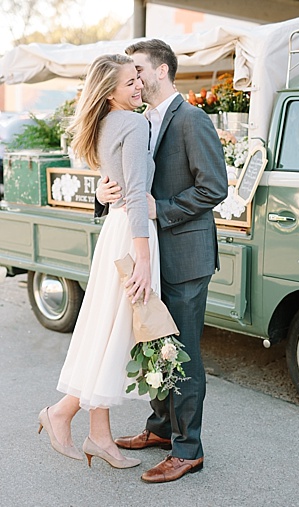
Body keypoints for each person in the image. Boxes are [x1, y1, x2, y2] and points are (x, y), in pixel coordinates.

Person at [96, 39, 228, 483]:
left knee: (184, 353)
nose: (132, 77)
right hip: (148, 254)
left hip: (186, 257)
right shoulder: (139, 122)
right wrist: (103, 194)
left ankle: (188, 449)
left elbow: (214, 188)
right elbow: (129, 182)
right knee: (154, 343)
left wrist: (161, 209)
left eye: (138, 69)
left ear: (162, 71)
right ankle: (160, 430)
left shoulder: (192, 119)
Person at [38, 53, 156, 469]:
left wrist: (110, 198)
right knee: (113, 334)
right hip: (131, 237)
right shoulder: (135, 123)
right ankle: (65, 415)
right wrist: (143, 258)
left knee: (107, 332)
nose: (138, 86)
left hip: (116, 232)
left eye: (138, 78)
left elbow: (118, 186)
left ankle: (97, 434)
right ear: (109, 93)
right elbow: (138, 193)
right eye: (129, 83)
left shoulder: (105, 124)